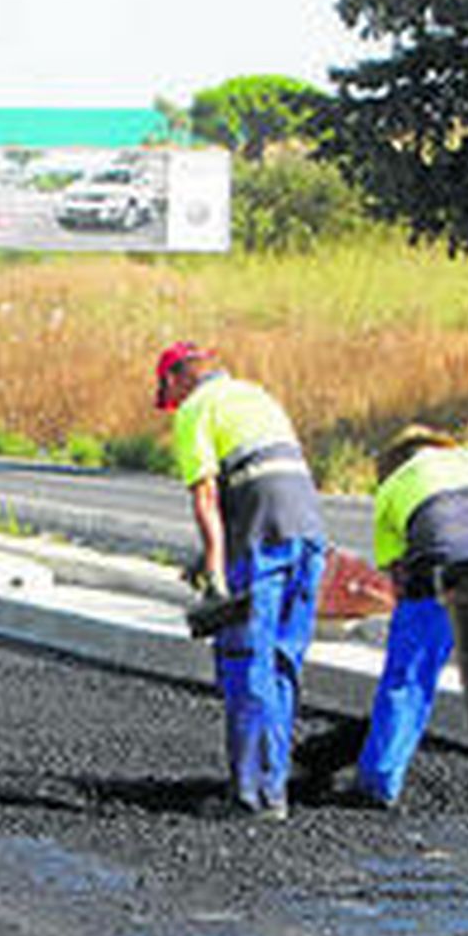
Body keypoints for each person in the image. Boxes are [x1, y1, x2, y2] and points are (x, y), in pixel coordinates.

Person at [157, 342, 327, 820]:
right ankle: (274, 788)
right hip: (308, 535)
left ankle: (250, 796)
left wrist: (214, 570)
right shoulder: (256, 396)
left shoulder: (194, 409)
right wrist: (207, 553)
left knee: (246, 661)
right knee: (282, 665)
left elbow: (208, 496)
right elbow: (265, 475)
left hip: (262, 540)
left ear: (175, 380)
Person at [351, 425, 468, 808]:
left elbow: (396, 571)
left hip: (440, 572)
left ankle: (378, 783)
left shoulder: (393, 486)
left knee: (408, 680)